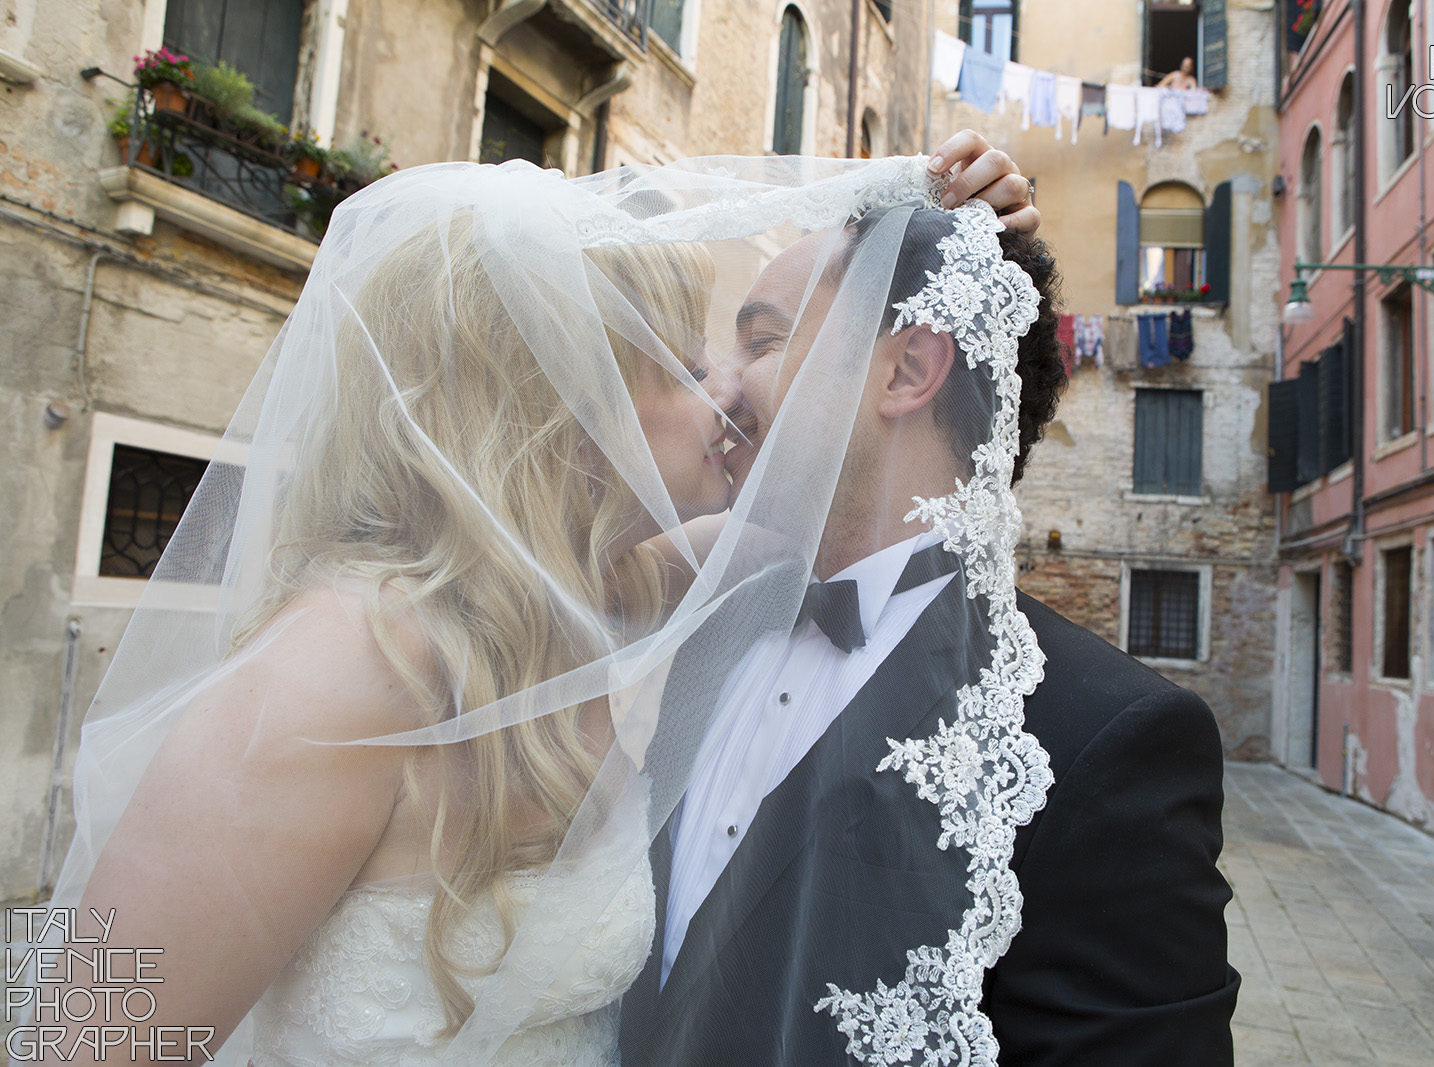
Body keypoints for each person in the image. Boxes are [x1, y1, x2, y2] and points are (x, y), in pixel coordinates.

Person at [19, 136, 1041, 1067]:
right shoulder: (336, 666)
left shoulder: (622, 591)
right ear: (559, 397)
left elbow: (861, 504)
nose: (726, 393)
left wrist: (962, 241)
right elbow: (86, 1039)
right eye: (686, 365)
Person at [618, 190, 1238, 1063]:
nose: (721, 385)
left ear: (908, 370)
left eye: (761, 340)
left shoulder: (1106, 739)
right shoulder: (703, 626)